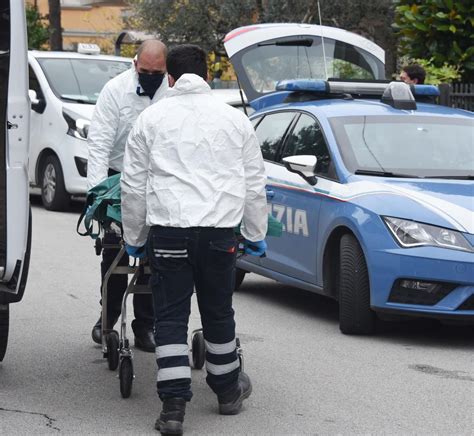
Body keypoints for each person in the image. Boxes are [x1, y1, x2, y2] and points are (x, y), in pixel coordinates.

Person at [121, 44, 268, 435]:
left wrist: (135, 236)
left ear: (169, 77)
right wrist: (255, 233)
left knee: (170, 317)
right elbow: (254, 182)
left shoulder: (152, 118)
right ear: (206, 75)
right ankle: (227, 391)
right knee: (219, 312)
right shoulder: (235, 120)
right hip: (220, 233)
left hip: (169, 230)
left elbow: (133, 185)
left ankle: (173, 408)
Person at [87, 40, 169, 352]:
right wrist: (98, 196)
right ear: (135, 64)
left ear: (165, 69)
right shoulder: (115, 91)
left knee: (152, 255)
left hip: (158, 179)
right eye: (145, 71)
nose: (151, 76)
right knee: (115, 253)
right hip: (117, 179)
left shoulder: (170, 90)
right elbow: (99, 144)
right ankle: (107, 318)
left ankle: (145, 325)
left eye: (157, 72)